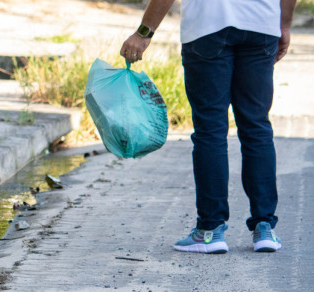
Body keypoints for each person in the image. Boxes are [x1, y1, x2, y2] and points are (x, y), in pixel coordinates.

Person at [121, 0, 296, 254]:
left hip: (207, 26)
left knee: (210, 130)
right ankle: (264, 227)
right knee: (256, 127)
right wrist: (283, 25)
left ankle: (210, 231)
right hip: (262, 25)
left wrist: (144, 33)